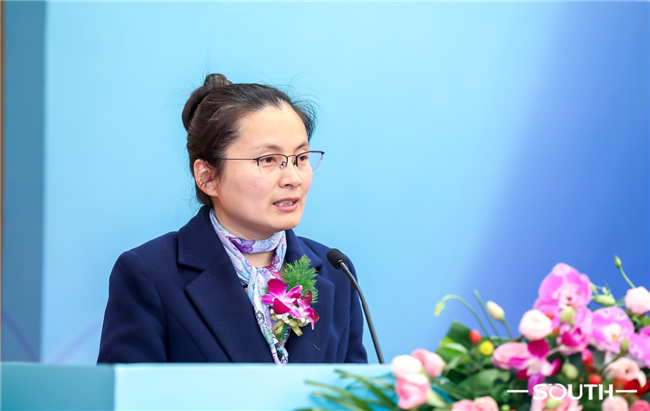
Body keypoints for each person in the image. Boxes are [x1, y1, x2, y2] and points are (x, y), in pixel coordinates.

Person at [97, 74, 368, 364]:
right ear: (207, 177)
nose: (293, 178)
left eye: (300, 158)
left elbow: (354, 388)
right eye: (268, 160)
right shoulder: (151, 274)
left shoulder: (335, 272)